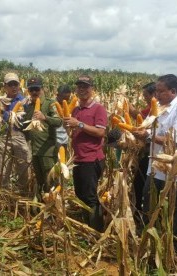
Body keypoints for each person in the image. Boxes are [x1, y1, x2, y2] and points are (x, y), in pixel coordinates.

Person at [133, 75, 177, 252]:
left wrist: (148, 136)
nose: (156, 95)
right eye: (156, 91)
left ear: (173, 91)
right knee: (150, 209)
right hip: (154, 169)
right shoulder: (158, 108)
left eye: (160, 91)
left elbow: (176, 142)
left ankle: (172, 252)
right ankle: (152, 247)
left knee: (173, 215)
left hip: (172, 174)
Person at [63, 75, 107, 232]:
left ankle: (96, 231)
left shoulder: (98, 109)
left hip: (91, 158)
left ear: (92, 89)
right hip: (78, 158)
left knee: (90, 197)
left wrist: (79, 124)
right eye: (79, 87)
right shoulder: (75, 109)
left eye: (85, 87)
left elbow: (100, 132)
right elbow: (73, 131)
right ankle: (86, 227)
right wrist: (69, 125)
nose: (82, 90)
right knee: (80, 194)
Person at [22, 77, 62, 198]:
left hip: (47, 152)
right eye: (31, 90)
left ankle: (54, 208)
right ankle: (42, 206)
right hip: (35, 151)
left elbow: (59, 121)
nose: (34, 92)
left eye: (37, 89)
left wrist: (45, 117)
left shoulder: (50, 104)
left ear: (42, 89)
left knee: (51, 181)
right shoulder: (28, 107)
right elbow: (27, 127)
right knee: (40, 182)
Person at [0, 72, 31, 194]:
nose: (13, 87)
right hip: (4, 136)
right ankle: (3, 192)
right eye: (10, 85)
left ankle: (23, 192)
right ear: (5, 86)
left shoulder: (24, 101)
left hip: (19, 136)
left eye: (15, 84)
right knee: (2, 167)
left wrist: (5, 114)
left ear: (19, 86)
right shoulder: (0, 101)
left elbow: (25, 121)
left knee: (23, 166)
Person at [129, 82, 156, 230]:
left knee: (142, 186)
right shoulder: (150, 108)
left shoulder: (156, 110)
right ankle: (139, 215)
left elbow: (140, 117)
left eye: (146, 95)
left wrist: (130, 108)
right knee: (139, 186)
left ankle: (143, 218)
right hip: (144, 153)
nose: (144, 98)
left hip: (151, 155)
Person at [55, 84, 72, 148]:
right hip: (54, 140)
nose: (66, 101)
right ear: (58, 95)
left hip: (65, 140)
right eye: (64, 98)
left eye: (68, 98)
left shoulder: (69, 105)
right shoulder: (51, 105)